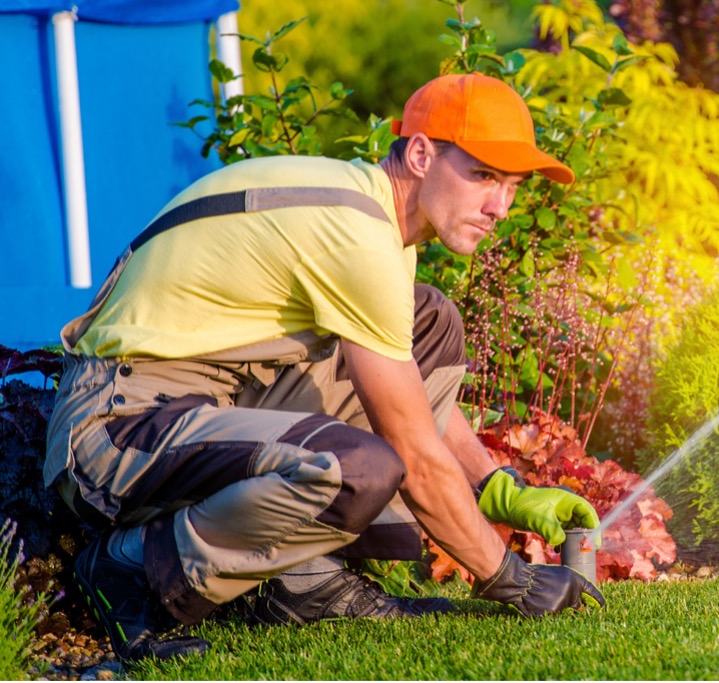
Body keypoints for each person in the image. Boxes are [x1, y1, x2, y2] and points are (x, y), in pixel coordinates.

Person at [43, 73, 604, 664]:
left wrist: (496, 487)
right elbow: (411, 452)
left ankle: (303, 582)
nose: (500, 207)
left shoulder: (374, 220)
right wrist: (509, 578)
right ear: (420, 154)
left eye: (512, 185)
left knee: (429, 321)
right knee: (356, 471)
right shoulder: (357, 235)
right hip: (114, 431)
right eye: (484, 176)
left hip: (202, 407)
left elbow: (409, 400)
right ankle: (133, 569)